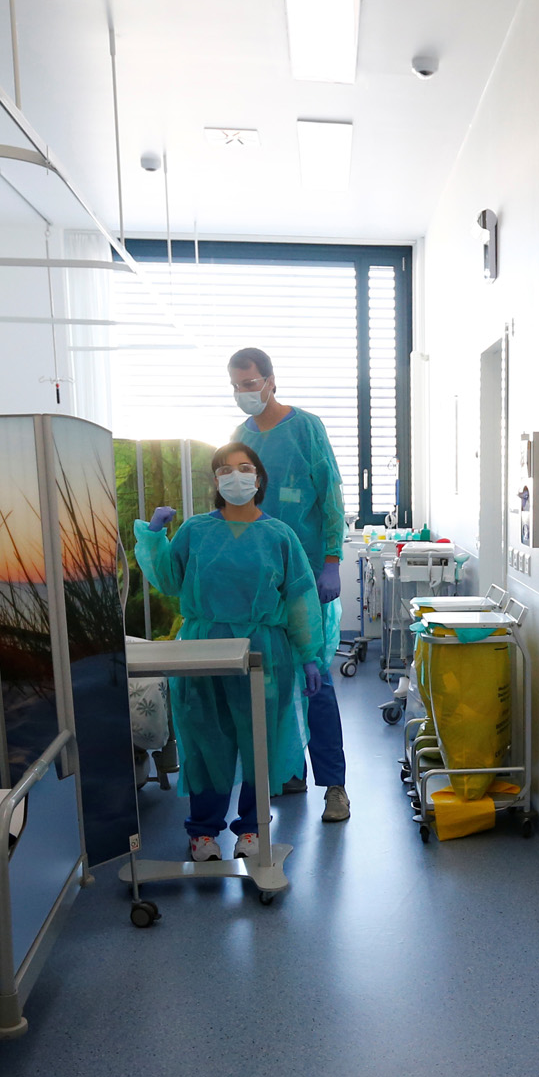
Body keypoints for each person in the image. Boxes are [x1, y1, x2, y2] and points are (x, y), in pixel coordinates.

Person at [133, 443, 323, 862]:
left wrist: (310, 654)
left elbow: (300, 600)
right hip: (202, 650)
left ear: (258, 478)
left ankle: (252, 830)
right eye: (225, 470)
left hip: (265, 652)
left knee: (261, 742)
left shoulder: (279, 535)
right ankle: (202, 833)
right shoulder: (196, 531)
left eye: (244, 468)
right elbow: (168, 580)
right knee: (204, 742)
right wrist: (154, 536)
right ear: (216, 481)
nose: (235, 477)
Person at [229, 347, 351, 823]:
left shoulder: (306, 429)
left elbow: (333, 497)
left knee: (315, 681)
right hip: (265, 585)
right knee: (273, 684)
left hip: (308, 581)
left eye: (251, 383)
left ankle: (335, 786)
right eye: (237, 386)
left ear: (271, 380)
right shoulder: (241, 438)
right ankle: (290, 770)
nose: (245, 393)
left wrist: (332, 561)